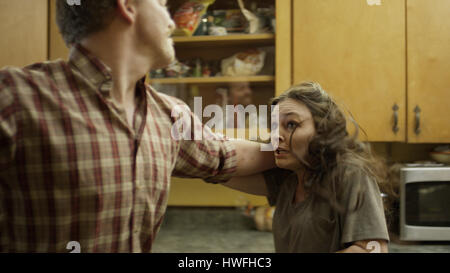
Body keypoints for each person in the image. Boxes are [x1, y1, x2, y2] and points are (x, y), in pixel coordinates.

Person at [0, 0, 275, 252]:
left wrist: (306, 145)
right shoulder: (16, 96)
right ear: (128, 6)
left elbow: (227, 155)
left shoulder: (170, 115)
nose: (172, 22)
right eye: (161, 4)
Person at [224, 82, 390, 253]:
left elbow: (373, 250)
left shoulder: (350, 174)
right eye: (274, 127)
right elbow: (222, 169)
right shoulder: (289, 179)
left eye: (291, 124)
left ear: (322, 129)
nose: (276, 135)